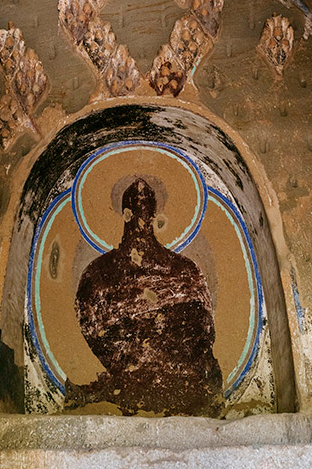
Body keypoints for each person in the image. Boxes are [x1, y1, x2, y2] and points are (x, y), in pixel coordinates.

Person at [69, 177, 223, 416]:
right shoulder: (98, 273)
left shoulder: (184, 269)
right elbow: (93, 330)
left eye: (147, 205)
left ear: (154, 213)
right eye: (137, 204)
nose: (144, 213)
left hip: (181, 379)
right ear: (126, 213)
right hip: (129, 377)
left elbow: (204, 332)